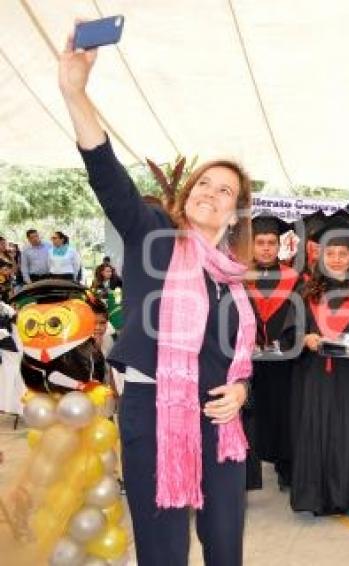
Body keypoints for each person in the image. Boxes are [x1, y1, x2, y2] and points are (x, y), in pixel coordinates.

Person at [60, 28, 257, 566]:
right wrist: (76, 92)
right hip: (154, 410)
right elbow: (107, 174)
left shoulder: (234, 279)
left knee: (224, 547)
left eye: (225, 191)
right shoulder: (154, 238)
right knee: (164, 550)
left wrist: (240, 390)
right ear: (187, 191)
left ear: (236, 212)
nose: (210, 194)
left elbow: (236, 358)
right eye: (203, 184)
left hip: (218, 419)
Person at [289, 216, 349, 515]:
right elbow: (290, 334)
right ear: (321, 256)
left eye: (342, 254)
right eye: (331, 253)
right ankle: (315, 498)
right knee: (317, 431)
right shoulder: (305, 294)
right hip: (316, 377)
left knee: (347, 432)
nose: (337, 259)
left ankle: (345, 496)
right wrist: (306, 339)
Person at [243, 215, 300, 491]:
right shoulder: (241, 279)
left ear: (279, 246)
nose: (266, 248)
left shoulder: (292, 278)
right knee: (253, 415)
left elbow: (300, 318)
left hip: (283, 361)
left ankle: (285, 468)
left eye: (271, 243)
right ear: (252, 246)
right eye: (261, 242)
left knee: (284, 414)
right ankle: (248, 473)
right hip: (251, 361)